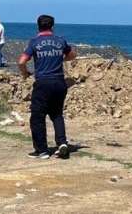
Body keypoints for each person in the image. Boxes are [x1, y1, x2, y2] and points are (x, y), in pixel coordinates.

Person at [18, 15, 77, 159]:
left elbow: (21, 61)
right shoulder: (60, 41)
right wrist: (60, 59)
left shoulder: (34, 43)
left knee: (37, 117)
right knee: (56, 114)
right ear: (52, 26)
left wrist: (25, 74)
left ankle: (41, 150)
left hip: (43, 83)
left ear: (38, 26)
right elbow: (72, 55)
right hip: (59, 83)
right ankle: (62, 143)